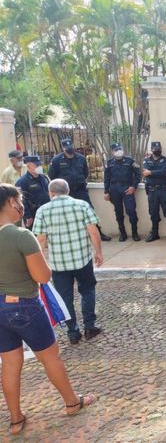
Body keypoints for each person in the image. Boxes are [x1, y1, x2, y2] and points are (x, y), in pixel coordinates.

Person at [0, 183, 96, 435]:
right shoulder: (21, 236)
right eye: (18, 200)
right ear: (11, 202)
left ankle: (15, 418)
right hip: (25, 305)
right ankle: (72, 402)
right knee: (50, 357)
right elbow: (42, 276)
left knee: (9, 364)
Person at [33, 179, 103, 345]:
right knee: (87, 291)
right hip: (82, 259)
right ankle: (90, 326)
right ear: (68, 190)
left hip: (59, 263)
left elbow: (40, 240)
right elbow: (93, 232)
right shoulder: (82, 205)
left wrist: (40, 262)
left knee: (65, 297)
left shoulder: (43, 210)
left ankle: (73, 332)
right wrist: (98, 252)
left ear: (51, 193)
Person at [48, 138, 111, 241]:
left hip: (80, 190)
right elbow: (52, 175)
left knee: (89, 210)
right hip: (65, 193)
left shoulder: (81, 158)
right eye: (67, 148)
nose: (70, 149)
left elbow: (85, 172)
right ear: (63, 148)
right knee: (66, 214)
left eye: (71, 147)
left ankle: (97, 232)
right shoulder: (56, 160)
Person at [104, 143, 140, 242]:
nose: (118, 151)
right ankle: (122, 233)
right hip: (114, 189)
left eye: (119, 149)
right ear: (112, 152)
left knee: (131, 211)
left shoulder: (130, 161)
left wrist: (133, 186)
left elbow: (137, 175)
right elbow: (106, 179)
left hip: (127, 189)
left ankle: (134, 233)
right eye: (116, 150)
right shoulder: (109, 163)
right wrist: (106, 192)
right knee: (118, 212)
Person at [143, 141, 166, 242]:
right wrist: (154, 172)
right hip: (152, 191)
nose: (157, 151)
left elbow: (164, 172)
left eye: (159, 149)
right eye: (155, 149)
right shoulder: (146, 160)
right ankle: (155, 233)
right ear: (152, 150)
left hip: (164, 189)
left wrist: (151, 172)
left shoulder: (165, 160)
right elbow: (145, 172)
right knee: (153, 212)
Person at [15, 155, 50, 229]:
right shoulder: (22, 182)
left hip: (47, 212)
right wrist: (28, 216)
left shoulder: (44, 178)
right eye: (36, 165)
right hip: (33, 214)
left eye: (40, 164)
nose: (39, 167)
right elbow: (22, 200)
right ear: (28, 166)